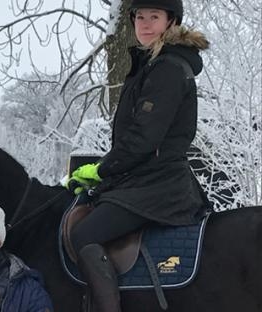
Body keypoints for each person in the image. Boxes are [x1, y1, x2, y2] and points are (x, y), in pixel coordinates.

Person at [63, 1, 210, 311]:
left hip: (158, 185)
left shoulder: (168, 68)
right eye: (139, 17)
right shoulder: (152, 64)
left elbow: (143, 139)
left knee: (84, 234)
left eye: (153, 17)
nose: (144, 24)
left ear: (171, 21)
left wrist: (101, 171)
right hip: (143, 179)